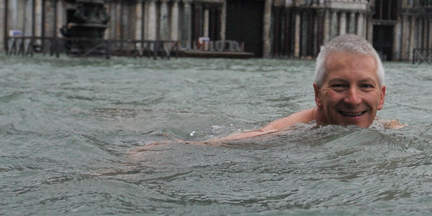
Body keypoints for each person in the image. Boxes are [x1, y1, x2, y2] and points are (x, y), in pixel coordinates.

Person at [135, 34, 396, 151]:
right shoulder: (287, 132)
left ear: (381, 96)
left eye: (365, 86)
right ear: (317, 95)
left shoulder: (392, 128)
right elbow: (254, 137)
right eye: (339, 86)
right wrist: (172, 149)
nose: (353, 99)